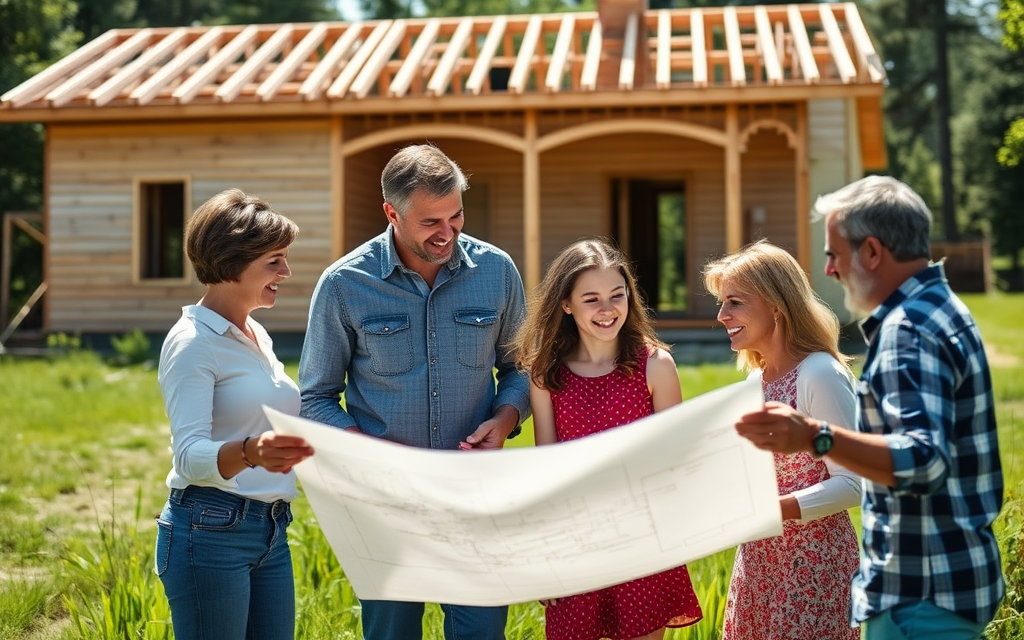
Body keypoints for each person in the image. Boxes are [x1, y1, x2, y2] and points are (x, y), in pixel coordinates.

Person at [735, 176, 1004, 640]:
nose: (831, 270)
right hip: (944, 584)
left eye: (835, 254)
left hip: (919, 593)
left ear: (873, 252)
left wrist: (816, 437)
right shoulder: (940, 311)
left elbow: (923, 458)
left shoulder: (909, 331)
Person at [299, 144, 530, 640]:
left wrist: (507, 418)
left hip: (475, 493)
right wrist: (375, 452)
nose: (447, 233)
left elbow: (522, 369)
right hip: (384, 501)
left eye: (456, 215)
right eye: (430, 222)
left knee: (481, 633)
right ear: (391, 213)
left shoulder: (497, 272)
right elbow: (314, 398)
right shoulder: (344, 284)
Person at [510, 237, 703, 640]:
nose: (607, 309)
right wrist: (548, 556)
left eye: (617, 295)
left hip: (643, 541)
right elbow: (547, 470)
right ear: (566, 304)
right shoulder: (547, 374)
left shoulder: (656, 366)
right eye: (591, 299)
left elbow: (676, 465)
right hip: (575, 543)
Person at [155, 189, 314, 640]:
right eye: (274, 261)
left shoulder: (255, 333)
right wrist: (252, 452)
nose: (286, 272)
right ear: (231, 263)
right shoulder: (193, 342)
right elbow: (188, 456)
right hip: (209, 529)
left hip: (270, 529)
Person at [702, 240, 862, 640]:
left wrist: (776, 510)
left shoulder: (819, 373)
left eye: (735, 302)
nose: (722, 315)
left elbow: (854, 483)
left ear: (776, 305)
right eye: (722, 304)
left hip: (814, 567)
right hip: (758, 563)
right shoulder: (755, 382)